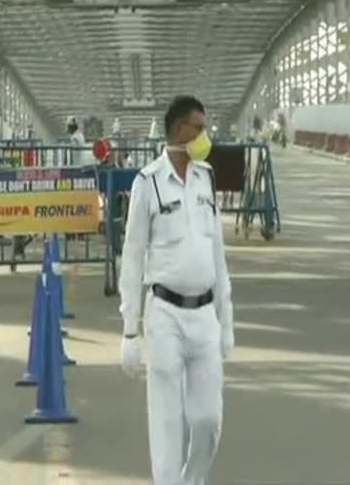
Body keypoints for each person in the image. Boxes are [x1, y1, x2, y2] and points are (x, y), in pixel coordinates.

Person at [118, 95, 234, 485]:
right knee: (167, 424)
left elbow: (217, 255)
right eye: (199, 128)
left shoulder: (206, 179)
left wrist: (227, 319)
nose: (205, 135)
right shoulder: (147, 183)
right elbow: (132, 256)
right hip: (164, 314)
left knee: (208, 421)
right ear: (179, 130)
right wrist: (130, 330)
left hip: (204, 318)